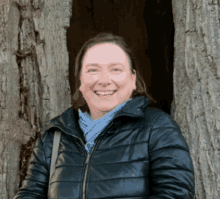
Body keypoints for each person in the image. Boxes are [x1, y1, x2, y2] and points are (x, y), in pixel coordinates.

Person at [14, 32, 195, 199]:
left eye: (115, 69)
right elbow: (29, 194)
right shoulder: (54, 137)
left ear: (133, 79)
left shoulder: (158, 127)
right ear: (80, 80)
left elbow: (175, 194)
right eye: (93, 70)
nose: (104, 80)